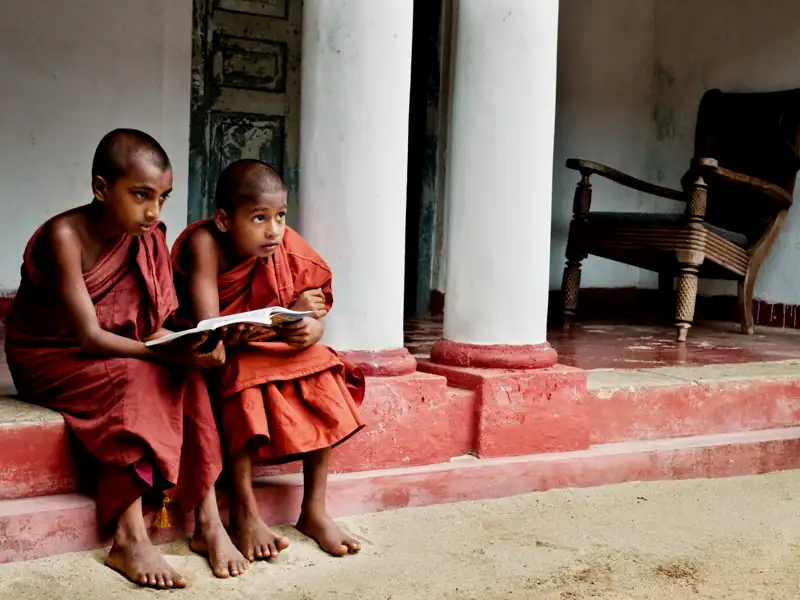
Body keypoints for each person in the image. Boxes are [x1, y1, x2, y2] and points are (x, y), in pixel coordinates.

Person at [4, 129, 250, 589]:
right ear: (101, 188)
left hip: (119, 349)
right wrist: (159, 354)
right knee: (139, 377)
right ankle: (130, 537)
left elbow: (153, 322)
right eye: (141, 195)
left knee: (188, 380)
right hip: (51, 356)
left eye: (163, 197)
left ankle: (209, 523)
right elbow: (90, 337)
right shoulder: (65, 235)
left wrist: (190, 347)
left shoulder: (149, 236)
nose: (154, 212)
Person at [171, 159, 365, 561]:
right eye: (259, 218)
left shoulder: (283, 245)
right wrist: (280, 322)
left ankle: (314, 509)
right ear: (224, 220)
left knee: (321, 363)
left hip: (265, 343)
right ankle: (244, 509)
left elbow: (311, 316)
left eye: (280, 216)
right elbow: (211, 327)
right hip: (217, 354)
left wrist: (309, 328)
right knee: (242, 375)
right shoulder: (204, 243)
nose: (274, 230)